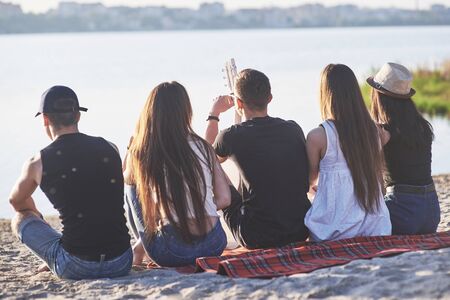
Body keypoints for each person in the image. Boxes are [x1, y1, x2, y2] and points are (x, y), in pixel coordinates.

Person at [9, 86, 132, 280]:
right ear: (78, 116)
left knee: (19, 219)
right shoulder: (110, 148)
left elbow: (16, 202)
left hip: (76, 266)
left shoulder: (37, 163)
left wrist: (37, 217)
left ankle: (52, 257)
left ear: (45, 119)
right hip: (122, 261)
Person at [124, 81, 231, 267]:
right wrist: (199, 206)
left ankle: (139, 249)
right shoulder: (204, 147)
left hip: (172, 252)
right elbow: (225, 199)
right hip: (214, 245)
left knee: (130, 186)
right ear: (186, 111)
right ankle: (142, 245)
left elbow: (125, 179)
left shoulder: (144, 151)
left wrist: (132, 146)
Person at [205, 68, 311, 249]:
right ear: (270, 98)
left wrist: (213, 114)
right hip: (300, 229)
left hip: (256, 236)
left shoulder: (231, 136)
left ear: (239, 102)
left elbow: (207, 157)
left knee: (214, 165)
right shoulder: (294, 129)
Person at [304, 64, 391, 241]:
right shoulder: (374, 131)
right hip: (375, 225)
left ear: (324, 94)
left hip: (334, 229)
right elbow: (380, 185)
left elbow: (309, 182)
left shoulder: (318, 136)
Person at [368, 62, 440, 235]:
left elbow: (373, 178)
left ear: (379, 96)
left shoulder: (382, 132)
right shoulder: (423, 126)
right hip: (431, 212)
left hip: (402, 213)